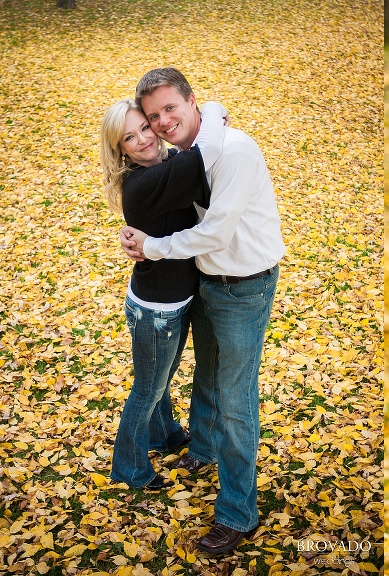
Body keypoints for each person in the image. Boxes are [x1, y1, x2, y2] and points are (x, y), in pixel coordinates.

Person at [120, 67, 286, 555]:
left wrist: (152, 247)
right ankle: (204, 449)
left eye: (172, 107)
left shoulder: (233, 152)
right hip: (207, 283)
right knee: (206, 374)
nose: (163, 121)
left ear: (193, 101)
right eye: (154, 116)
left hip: (243, 287)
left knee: (236, 402)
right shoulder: (188, 153)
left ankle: (237, 513)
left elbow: (213, 233)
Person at [99, 97, 227, 489]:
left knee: (162, 376)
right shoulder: (142, 184)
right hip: (157, 308)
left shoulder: (163, 164)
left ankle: (163, 433)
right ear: (119, 150)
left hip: (174, 298)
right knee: (148, 388)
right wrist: (214, 110)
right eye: (129, 138)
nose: (142, 140)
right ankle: (130, 468)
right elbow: (201, 154)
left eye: (144, 127)